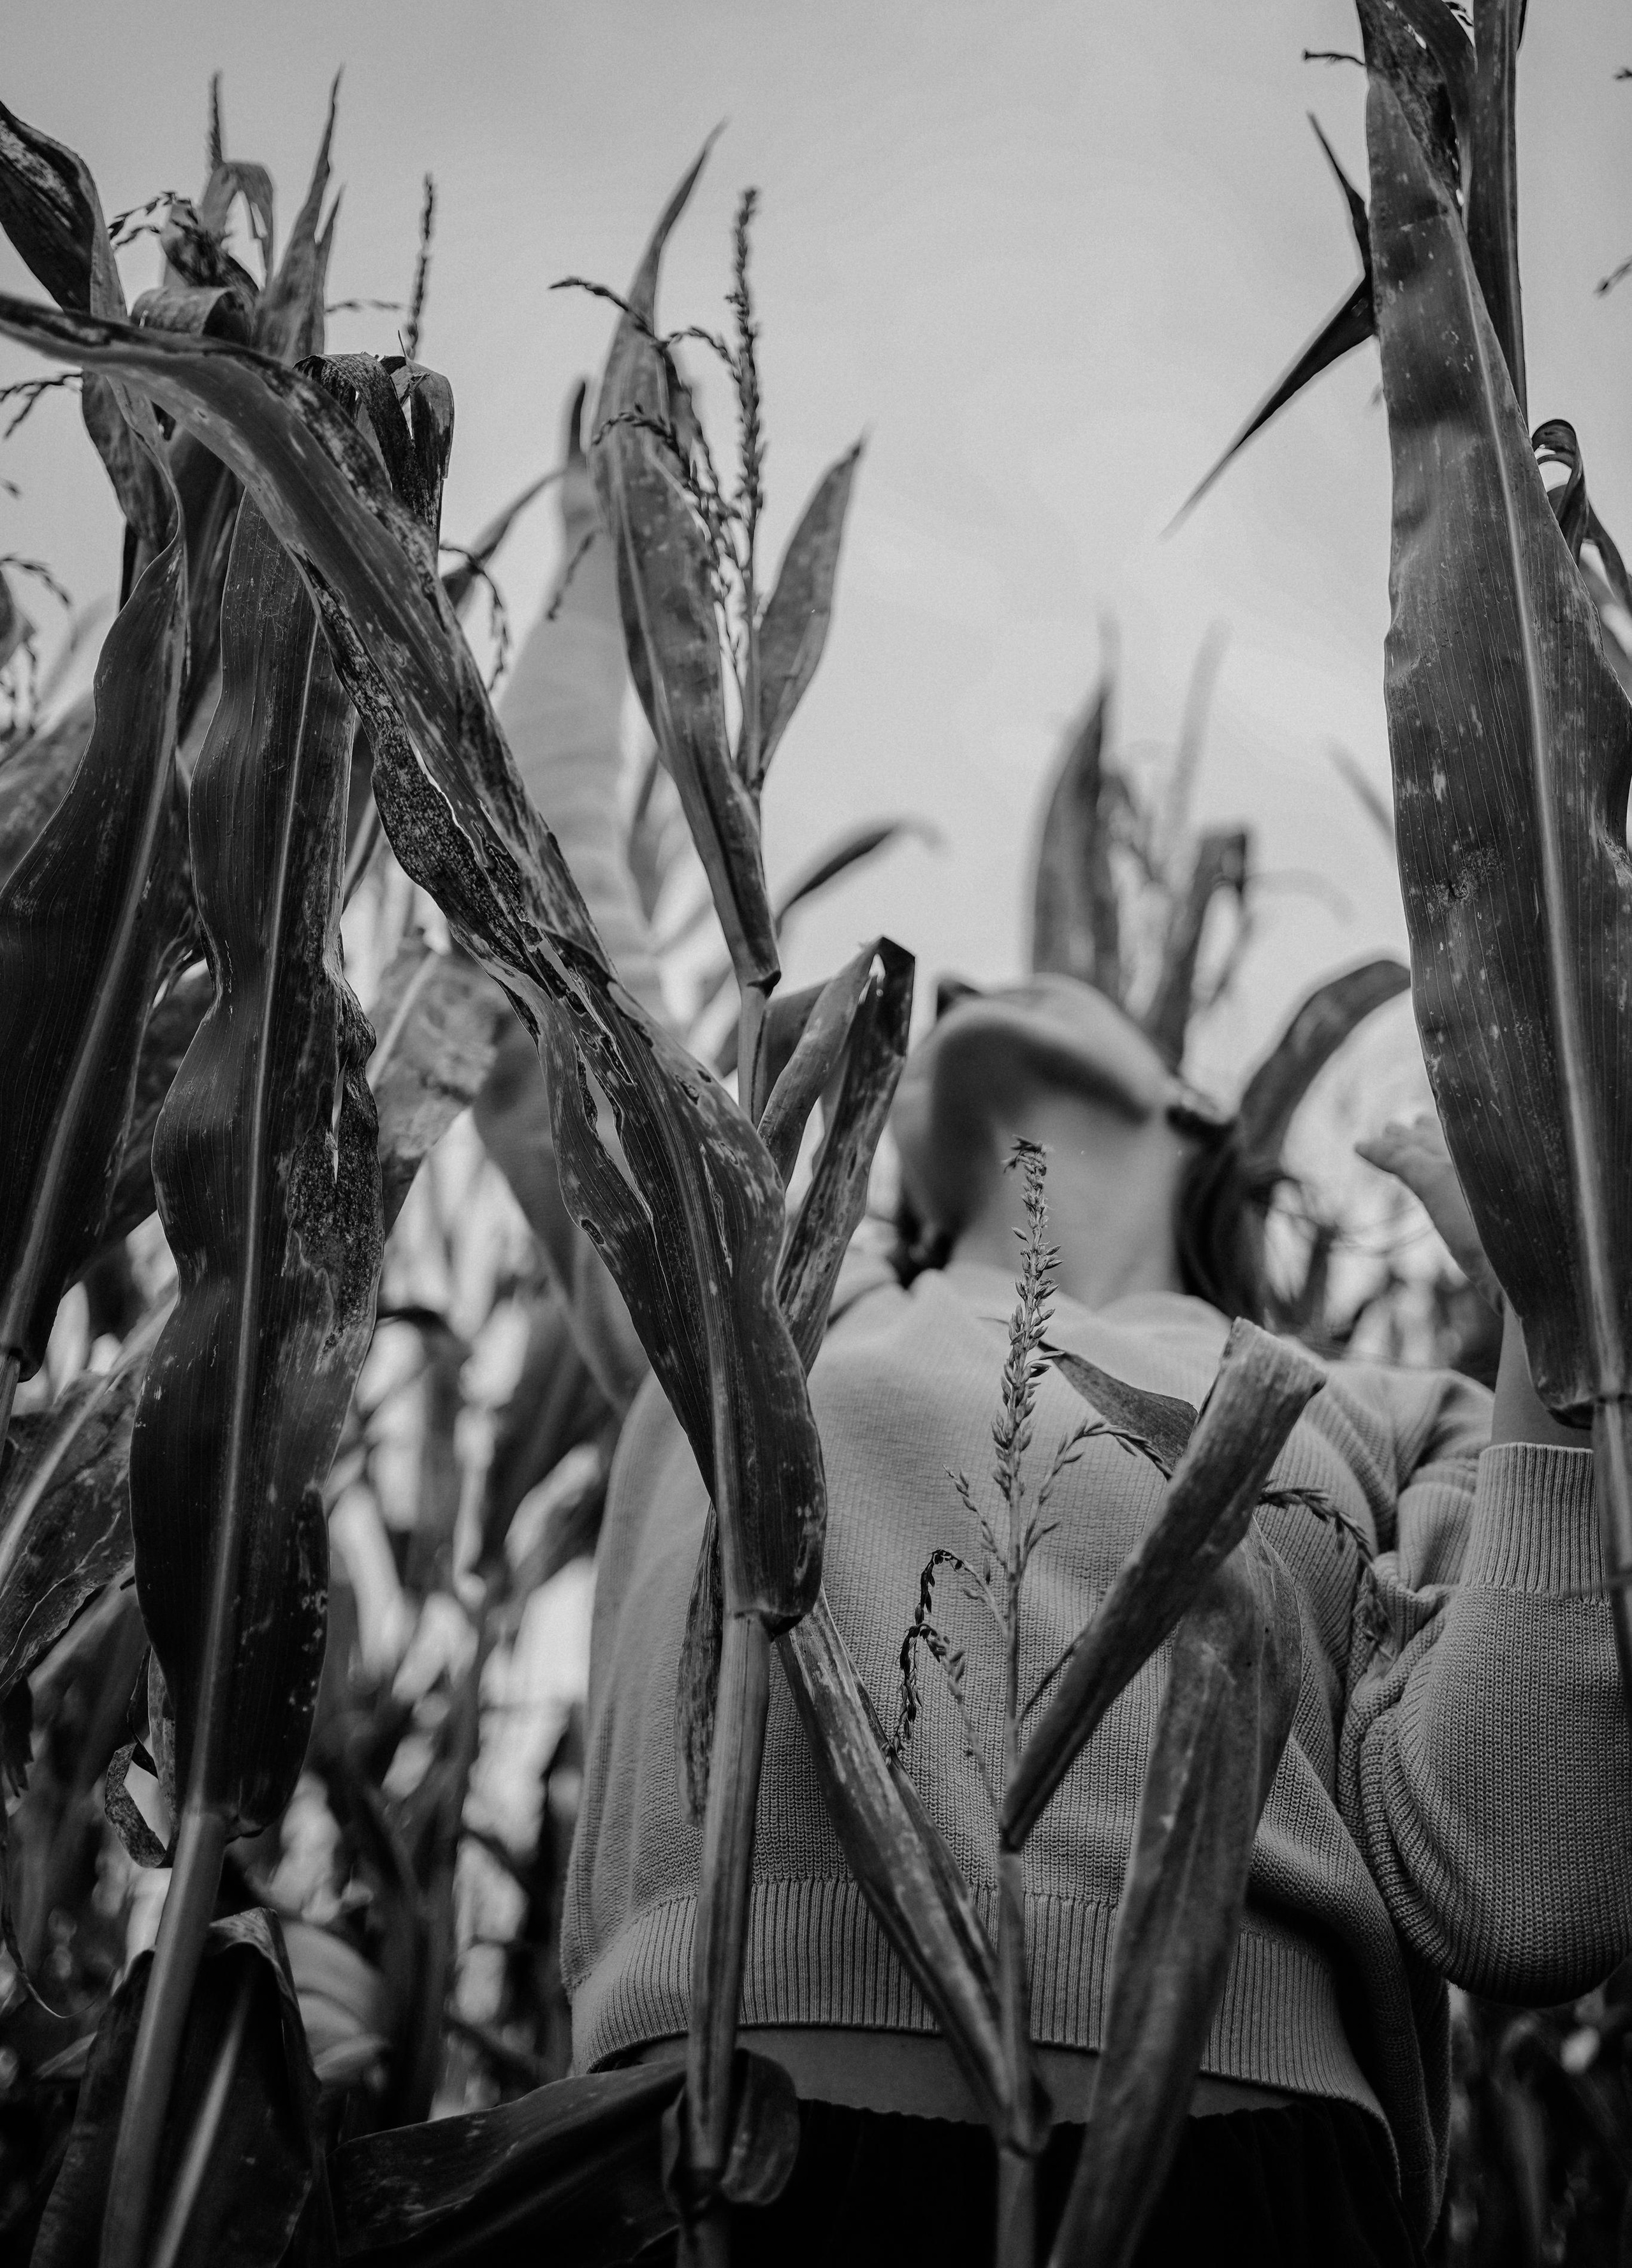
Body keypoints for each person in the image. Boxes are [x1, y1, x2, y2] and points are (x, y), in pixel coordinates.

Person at [490, 411, 1632, 2267]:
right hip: (717, 2150)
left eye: (1072, 987)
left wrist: (1563, 1314)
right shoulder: (770, 1299)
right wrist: (624, 540)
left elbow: (1518, 1882)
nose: (1001, 968)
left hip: (1235, 2185)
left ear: (1198, 1112)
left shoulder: (1384, 1406)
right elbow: (541, 909)